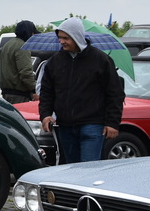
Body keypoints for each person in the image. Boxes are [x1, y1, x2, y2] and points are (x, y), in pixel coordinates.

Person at [38, 17, 124, 164]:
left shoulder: (101, 60)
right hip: (65, 126)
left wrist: (112, 123)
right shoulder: (55, 61)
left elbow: (115, 93)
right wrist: (45, 115)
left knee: (88, 170)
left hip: (93, 125)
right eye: (60, 38)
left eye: (66, 38)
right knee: (72, 170)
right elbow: (47, 92)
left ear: (77, 37)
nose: (62, 41)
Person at [0, 20, 39, 104]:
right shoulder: (23, 47)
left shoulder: (7, 45)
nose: (34, 36)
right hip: (18, 95)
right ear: (28, 32)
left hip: (6, 92)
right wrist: (34, 90)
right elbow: (25, 73)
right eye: (33, 33)